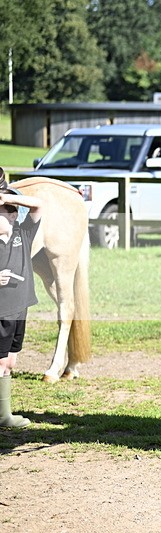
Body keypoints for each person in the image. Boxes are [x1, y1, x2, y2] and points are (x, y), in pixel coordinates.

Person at [0, 173, 43, 428]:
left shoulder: (23, 234)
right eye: (5, 210)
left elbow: (38, 205)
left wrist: (5, 196)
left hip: (20, 308)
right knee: (0, 361)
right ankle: (3, 416)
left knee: (11, 361)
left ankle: (4, 414)